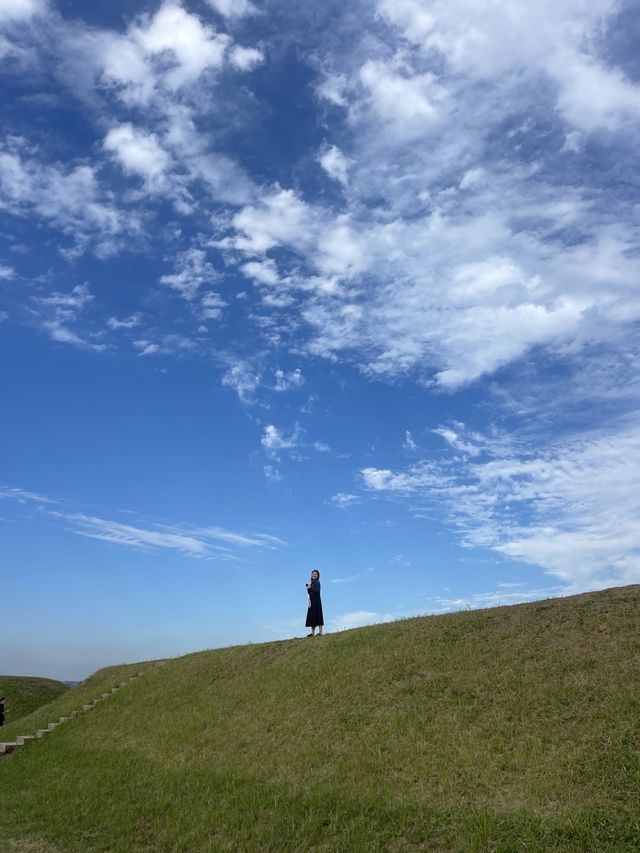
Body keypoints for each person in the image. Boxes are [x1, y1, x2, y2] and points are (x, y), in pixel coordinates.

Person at [305, 569, 324, 637]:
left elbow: (317, 591)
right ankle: (313, 633)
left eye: (315, 574)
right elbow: (310, 592)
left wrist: (310, 588)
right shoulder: (312, 582)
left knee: (318, 615)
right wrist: (308, 588)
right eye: (313, 573)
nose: (314, 575)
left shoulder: (317, 582)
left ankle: (320, 632)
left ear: (318, 575)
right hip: (312, 601)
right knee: (312, 616)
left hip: (317, 601)